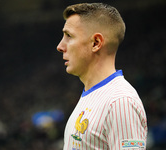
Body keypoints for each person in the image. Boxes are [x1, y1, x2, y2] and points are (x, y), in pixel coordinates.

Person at [57, 3, 147, 150]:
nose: (60, 46)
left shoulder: (120, 101)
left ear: (96, 43)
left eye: (69, 36)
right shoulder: (91, 96)